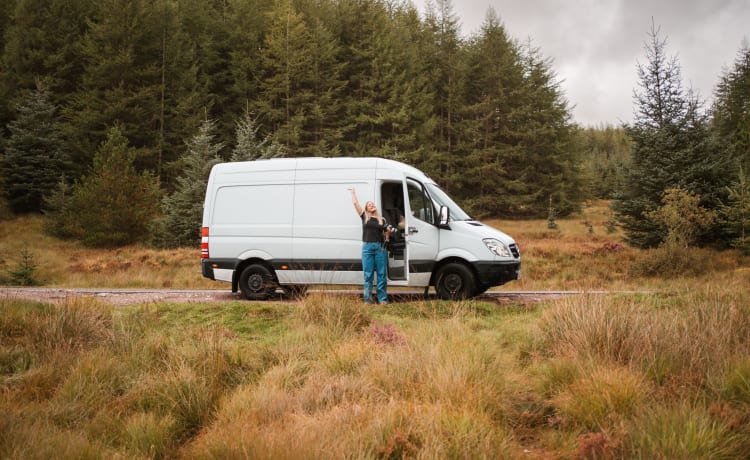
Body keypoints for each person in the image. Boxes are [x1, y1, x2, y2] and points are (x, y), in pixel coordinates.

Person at [348, 187, 390, 304]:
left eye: (373, 204)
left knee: (382, 274)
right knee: (368, 275)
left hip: (380, 247)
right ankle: (368, 300)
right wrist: (353, 193)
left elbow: (386, 235)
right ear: (366, 208)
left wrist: (388, 235)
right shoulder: (364, 217)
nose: (371, 205)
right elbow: (356, 203)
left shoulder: (381, 220)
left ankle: (382, 299)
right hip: (367, 248)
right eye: (369, 204)